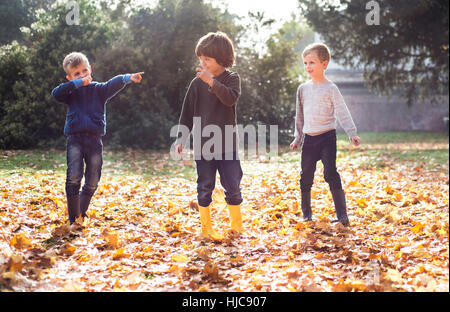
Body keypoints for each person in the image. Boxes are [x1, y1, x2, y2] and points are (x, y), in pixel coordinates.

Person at [51, 51, 144, 224]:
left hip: (94, 140)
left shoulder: (99, 90)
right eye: (77, 74)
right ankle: (74, 220)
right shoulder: (70, 93)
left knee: (93, 179)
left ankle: (80, 212)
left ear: (90, 70)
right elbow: (56, 94)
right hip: (75, 139)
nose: (82, 75)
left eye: (84, 71)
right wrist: (77, 84)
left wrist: (127, 77)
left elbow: (113, 84)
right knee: (73, 176)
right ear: (70, 78)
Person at [174, 32, 243, 238]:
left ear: (222, 59)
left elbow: (230, 99)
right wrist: (181, 138)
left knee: (232, 185)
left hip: (227, 145)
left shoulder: (232, 79)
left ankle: (236, 226)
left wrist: (212, 81)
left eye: (207, 59)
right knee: (204, 186)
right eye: (201, 59)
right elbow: (186, 113)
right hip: (203, 146)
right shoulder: (196, 84)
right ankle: (206, 227)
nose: (202, 63)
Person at [290, 43, 361, 225]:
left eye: (312, 62)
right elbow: (300, 115)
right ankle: (306, 215)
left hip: (327, 138)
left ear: (324, 64)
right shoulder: (302, 89)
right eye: (305, 63)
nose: (308, 67)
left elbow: (342, 111)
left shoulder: (331, 89)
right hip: (309, 139)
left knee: (330, 173)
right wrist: (298, 137)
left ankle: (342, 216)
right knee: (306, 175)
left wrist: (351, 132)